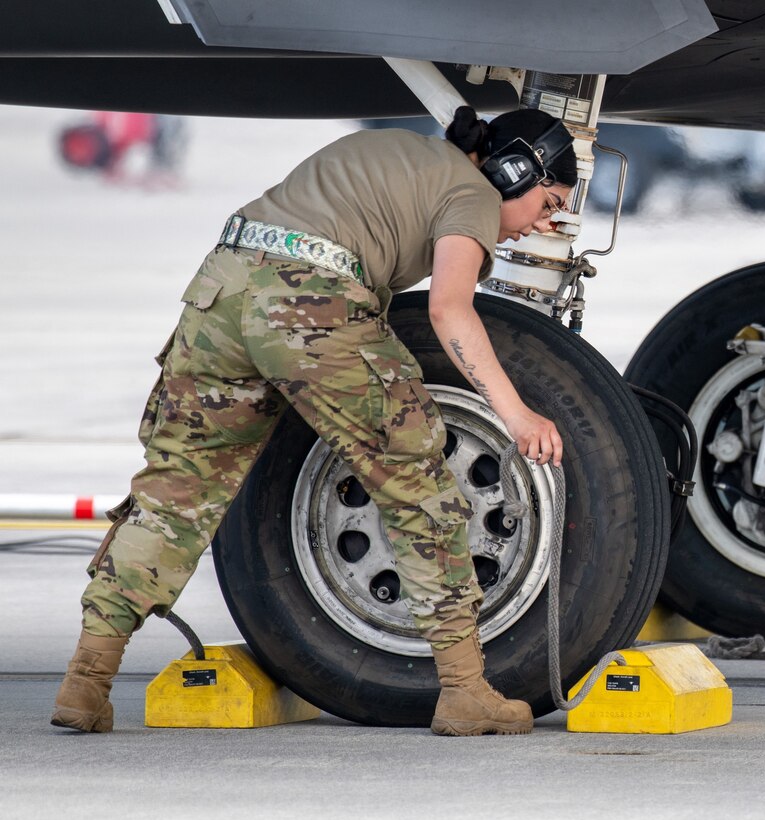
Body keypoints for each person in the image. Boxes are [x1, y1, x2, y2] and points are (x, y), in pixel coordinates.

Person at [51, 106, 575, 736]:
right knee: (415, 483)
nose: (543, 224)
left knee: (176, 488)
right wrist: (515, 413)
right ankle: (466, 690)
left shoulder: (401, 151)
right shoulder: (472, 196)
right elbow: (449, 310)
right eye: (549, 202)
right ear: (515, 171)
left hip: (222, 289)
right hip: (310, 301)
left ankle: (85, 683)